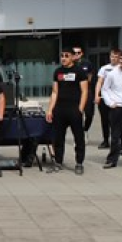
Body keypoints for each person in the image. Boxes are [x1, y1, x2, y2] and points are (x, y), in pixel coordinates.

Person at [46, 47, 89, 175]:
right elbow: (54, 92)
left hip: (74, 109)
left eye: (66, 56)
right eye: (62, 56)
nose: (63, 58)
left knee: (78, 138)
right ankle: (58, 162)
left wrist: (80, 109)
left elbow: (85, 91)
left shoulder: (79, 71)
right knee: (58, 138)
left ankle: (79, 163)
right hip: (60, 109)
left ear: (72, 57)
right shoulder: (58, 72)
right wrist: (50, 110)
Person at [100, 49, 122, 169]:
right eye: (121, 59)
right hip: (116, 107)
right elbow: (105, 89)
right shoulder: (112, 73)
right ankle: (112, 159)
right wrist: (110, 102)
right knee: (115, 135)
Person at [94, 49, 121, 151]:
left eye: (116, 56)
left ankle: (121, 142)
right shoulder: (104, 69)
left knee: (118, 121)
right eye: (112, 56)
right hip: (105, 98)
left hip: (117, 99)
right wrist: (97, 95)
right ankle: (106, 140)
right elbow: (99, 82)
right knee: (104, 120)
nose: (114, 58)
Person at [72, 45, 96, 133]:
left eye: (78, 53)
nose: (76, 54)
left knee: (89, 114)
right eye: (74, 53)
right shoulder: (70, 64)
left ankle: (85, 129)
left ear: (81, 53)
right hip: (75, 91)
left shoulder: (87, 63)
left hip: (87, 90)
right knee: (77, 114)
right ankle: (79, 134)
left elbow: (90, 77)